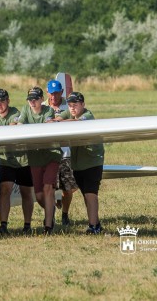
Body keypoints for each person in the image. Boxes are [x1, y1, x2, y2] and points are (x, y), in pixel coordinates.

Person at [0, 89, 34, 235]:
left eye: (2, 101)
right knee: (5, 190)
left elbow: (11, 130)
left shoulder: (16, 113)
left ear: (8, 101)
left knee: (26, 192)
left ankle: (27, 225)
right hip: (5, 159)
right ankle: (3, 224)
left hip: (23, 159)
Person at [57, 92, 105, 234]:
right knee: (86, 195)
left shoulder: (87, 116)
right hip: (78, 165)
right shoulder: (70, 113)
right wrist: (55, 120)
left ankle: (93, 227)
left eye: (75, 105)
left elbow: (76, 123)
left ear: (83, 105)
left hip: (92, 163)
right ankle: (96, 224)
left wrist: (59, 122)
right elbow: (58, 118)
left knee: (91, 194)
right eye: (70, 105)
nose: (72, 108)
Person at [17, 87, 63, 234]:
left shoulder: (48, 111)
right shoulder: (25, 110)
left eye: (35, 99)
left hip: (51, 154)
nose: (32, 101)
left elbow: (47, 127)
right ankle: (51, 210)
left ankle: (48, 226)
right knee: (39, 195)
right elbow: (19, 126)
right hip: (34, 157)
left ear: (41, 99)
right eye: (30, 99)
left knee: (47, 188)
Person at [44, 80, 79, 225]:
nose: (54, 96)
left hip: (67, 153)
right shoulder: (43, 106)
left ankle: (65, 215)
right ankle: (50, 216)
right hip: (48, 155)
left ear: (62, 92)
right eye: (51, 93)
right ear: (47, 93)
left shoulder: (69, 106)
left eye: (57, 93)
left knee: (68, 188)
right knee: (49, 188)